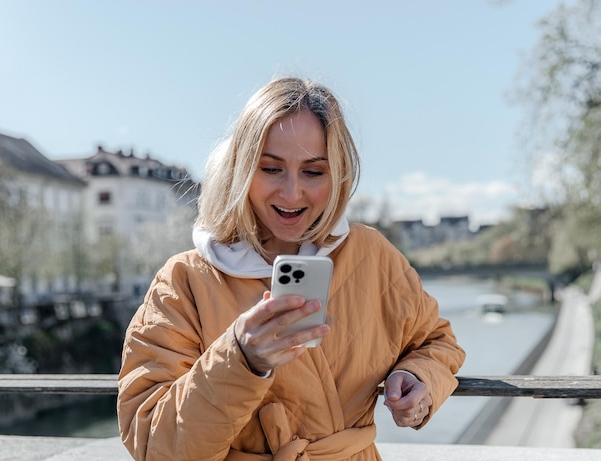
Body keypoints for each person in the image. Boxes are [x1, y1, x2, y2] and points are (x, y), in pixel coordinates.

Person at [117, 76, 465, 460]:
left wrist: (418, 380)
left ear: (338, 175)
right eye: (270, 169)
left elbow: (436, 341)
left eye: (314, 172)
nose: (291, 193)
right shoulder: (183, 282)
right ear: (241, 169)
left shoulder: (372, 256)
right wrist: (240, 360)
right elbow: (151, 442)